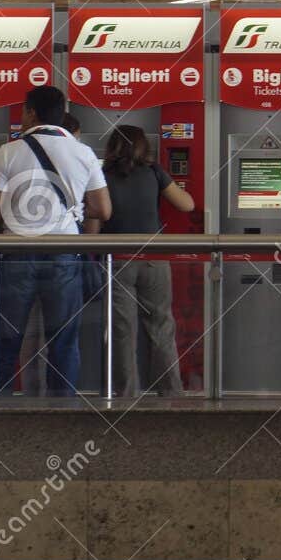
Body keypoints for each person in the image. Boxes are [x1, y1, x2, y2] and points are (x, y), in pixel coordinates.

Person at [0, 86, 111, 397]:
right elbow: (103, 209)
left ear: (31, 112)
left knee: (7, 338)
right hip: (64, 255)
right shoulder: (83, 153)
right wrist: (73, 209)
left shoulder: (8, 151)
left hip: (16, 253)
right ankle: (63, 414)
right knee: (64, 340)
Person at [102, 125, 192, 397]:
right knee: (161, 326)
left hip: (117, 260)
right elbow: (187, 204)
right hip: (153, 259)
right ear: (143, 146)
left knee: (122, 330)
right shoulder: (155, 171)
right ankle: (170, 394)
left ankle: (125, 394)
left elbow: (95, 221)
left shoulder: (102, 175)